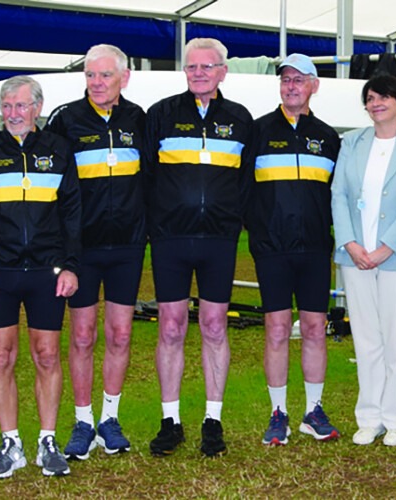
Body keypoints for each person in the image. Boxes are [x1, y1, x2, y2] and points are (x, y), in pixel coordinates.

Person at [0, 76, 81, 478]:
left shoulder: (60, 151)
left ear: (37, 108)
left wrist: (70, 265)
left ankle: (47, 441)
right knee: (2, 356)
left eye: (21, 106)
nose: (13, 114)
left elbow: (72, 215)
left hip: (48, 272)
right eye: (7, 106)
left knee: (47, 355)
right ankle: (10, 442)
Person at [145, 38, 255, 457]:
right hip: (171, 239)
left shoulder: (240, 119)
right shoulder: (162, 115)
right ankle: (169, 420)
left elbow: (247, 180)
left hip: (219, 240)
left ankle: (213, 420)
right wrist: (159, 223)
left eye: (207, 67)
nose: (199, 74)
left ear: (223, 72)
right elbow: (147, 175)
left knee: (214, 326)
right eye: (192, 67)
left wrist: (233, 221)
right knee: (170, 327)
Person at [45, 43, 147, 461]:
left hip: (126, 246)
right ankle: (83, 420)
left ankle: (110, 417)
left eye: (105, 75)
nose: (97, 83)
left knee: (120, 334)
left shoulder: (139, 118)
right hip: (80, 248)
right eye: (90, 75)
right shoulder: (65, 119)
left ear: (124, 77)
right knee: (83, 335)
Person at [247, 54, 342, 446]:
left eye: (299, 80)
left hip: (315, 248)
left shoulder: (329, 136)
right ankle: (278, 412)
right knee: (277, 328)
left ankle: (312, 411)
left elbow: (339, 193)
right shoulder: (257, 132)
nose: (291, 86)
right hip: (272, 249)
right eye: (286, 79)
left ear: (314, 86)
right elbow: (241, 190)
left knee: (316, 328)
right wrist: (257, 230)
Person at [331, 74, 396, 448]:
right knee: (367, 340)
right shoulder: (351, 143)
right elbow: (339, 194)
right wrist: (352, 244)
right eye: (370, 98)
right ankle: (369, 417)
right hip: (354, 258)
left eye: (384, 97)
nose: (376, 103)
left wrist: (384, 248)